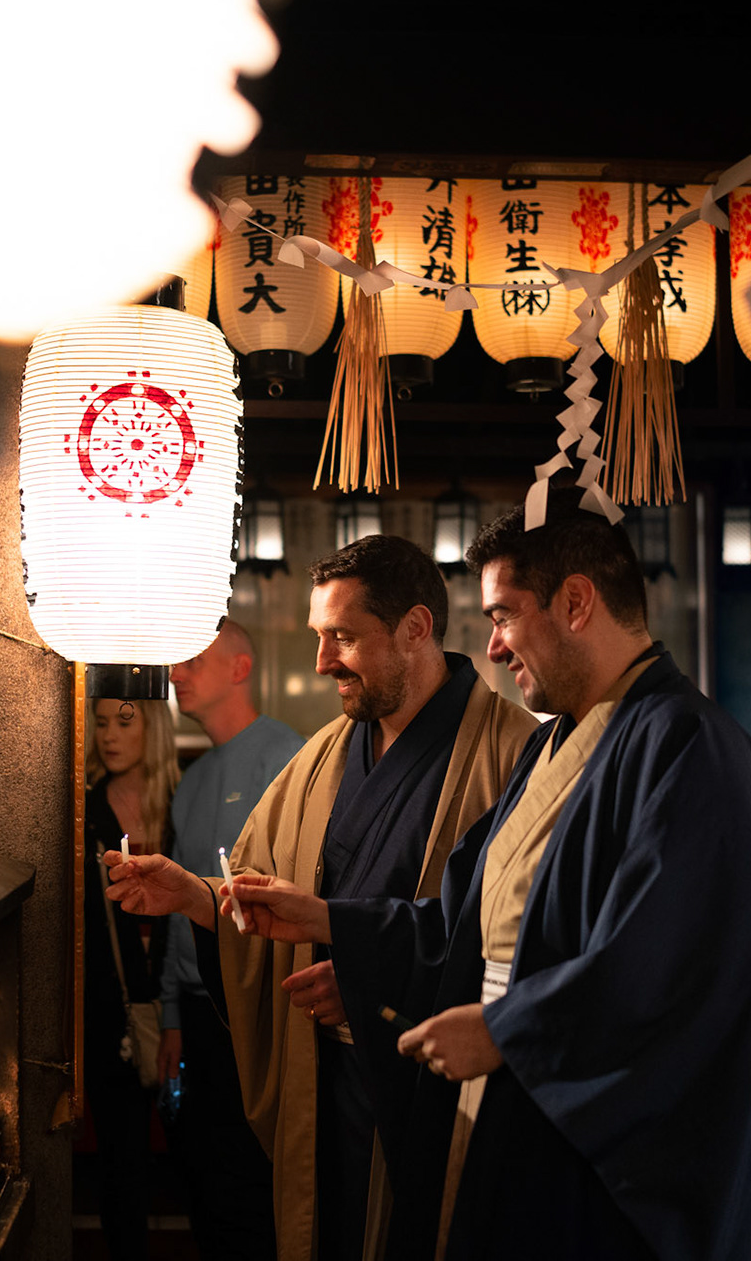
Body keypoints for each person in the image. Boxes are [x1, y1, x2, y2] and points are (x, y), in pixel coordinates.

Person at [216, 496, 751, 1261]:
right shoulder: (559, 746)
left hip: (602, 1148)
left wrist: (505, 1031)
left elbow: (677, 970)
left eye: (505, 616)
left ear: (576, 602)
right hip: (517, 1106)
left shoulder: (689, 747)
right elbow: (458, 923)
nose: (491, 648)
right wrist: (328, 922)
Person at [108, 534, 536, 1261]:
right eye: (318, 636)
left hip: (428, 1087)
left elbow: (519, 937)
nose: (321, 661)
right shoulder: (326, 754)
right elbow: (269, 895)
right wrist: (196, 898)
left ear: (415, 629)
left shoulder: (510, 752)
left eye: (342, 637)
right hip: (322, 1076)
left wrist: (375, 976)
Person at [160, 619, 303, 1261]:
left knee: (255, 1180)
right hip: (197, 1005)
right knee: (203, 1178)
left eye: (192, 658)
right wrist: (169, 1016)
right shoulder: (190, 782)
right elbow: (175, 910)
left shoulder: (287, 759)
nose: (176, 672)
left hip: (263, 998)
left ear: (240, 669)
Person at [79, 697, 177, 1261]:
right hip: (110, 1010)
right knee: (122, 1163)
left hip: (178, 1002)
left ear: (153, 726)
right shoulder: (85, 809)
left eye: (125, 720)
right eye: (100, 722)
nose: (109, 736)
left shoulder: (181, 802)